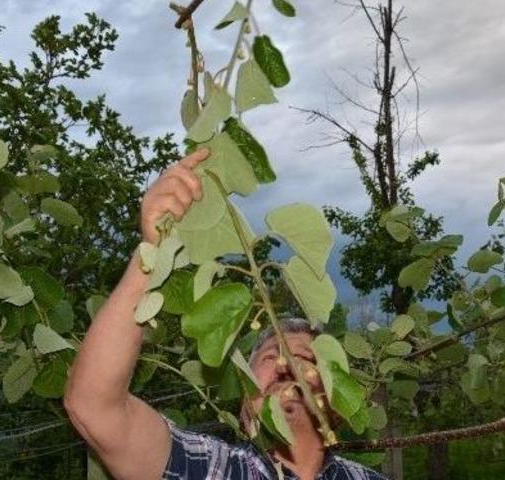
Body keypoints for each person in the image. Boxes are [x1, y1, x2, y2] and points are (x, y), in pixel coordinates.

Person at [63, 149, 387, 479]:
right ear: (246, 405)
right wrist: (152, 252)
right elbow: (94, 406)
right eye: (269, 357)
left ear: (334, 405)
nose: (285, 364)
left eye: (306, 358)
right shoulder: (211, 468)